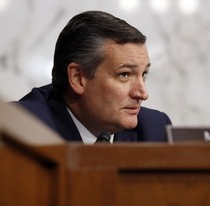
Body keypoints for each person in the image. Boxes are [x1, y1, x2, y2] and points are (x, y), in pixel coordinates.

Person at [15, 10, 172, 144]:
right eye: (124, 75)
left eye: (143, 74)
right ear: (78, 78)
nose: (143, 94)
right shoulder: (22, 128)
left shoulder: (155, 129)